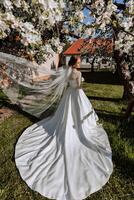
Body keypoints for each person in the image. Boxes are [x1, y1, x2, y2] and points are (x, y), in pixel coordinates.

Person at [0, 53, 113, 200]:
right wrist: (80, 83)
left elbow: (62, 82)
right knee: (77, 116)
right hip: (76, 95)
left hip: (68, 95)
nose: (79, 63)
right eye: (78, 61)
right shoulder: (78, 73)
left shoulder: (66, 70)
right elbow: (78, 87)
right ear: (75, 63)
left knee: (64, 115)